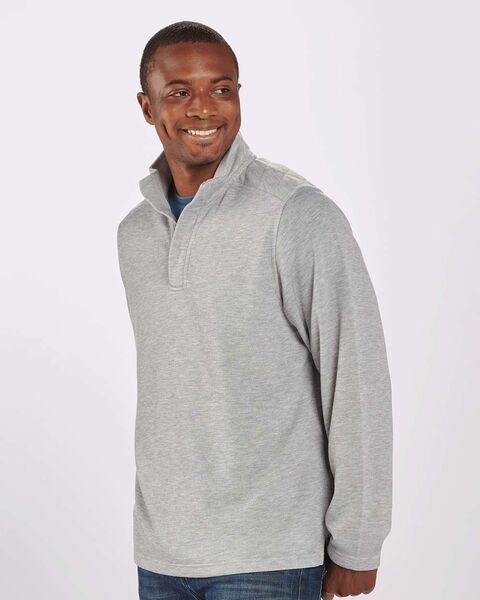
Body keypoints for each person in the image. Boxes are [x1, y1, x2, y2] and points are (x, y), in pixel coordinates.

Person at [117, 20, 393, 600]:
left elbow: (356, 375)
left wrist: (359, 542)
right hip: (162, 556)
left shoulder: (297, 215)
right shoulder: (136, 233)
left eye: (221, 88)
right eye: (180, 91)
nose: (204, 107)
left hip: (269, 556)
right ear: (147, 107)